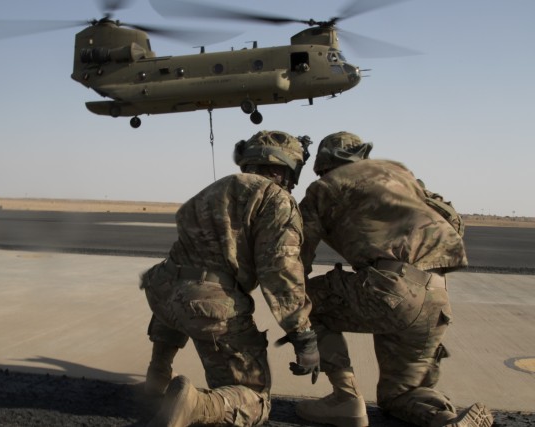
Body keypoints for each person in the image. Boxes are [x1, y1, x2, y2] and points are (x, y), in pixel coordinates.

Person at [296, 131, 494, 427]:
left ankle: (345, 399)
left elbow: (298, 255)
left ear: (324, 165)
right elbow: (454, 222)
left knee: (304, 300)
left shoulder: (324, 187)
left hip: (390, 290)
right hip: (435, 296)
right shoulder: (404, 181)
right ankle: (444, 419)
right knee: (399, 395)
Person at [140, 130, 320, 427]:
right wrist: (303, 335)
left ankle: (158, 374)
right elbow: (280, 271)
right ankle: (195, 404)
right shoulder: (276, 199)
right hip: (207, 305)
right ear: (288, 168)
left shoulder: (213, 189)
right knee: (254, 399)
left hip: (161, 288)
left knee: (183, 292)